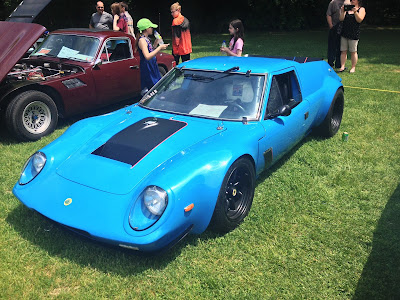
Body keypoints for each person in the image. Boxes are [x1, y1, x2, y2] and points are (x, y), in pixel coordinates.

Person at [136, 18, 169, 94]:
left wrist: (155, 44)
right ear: (147, 29)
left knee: (157, 85)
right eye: (151, 27)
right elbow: (147, 56)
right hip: (147, 68)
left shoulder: (147, 39)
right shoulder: (142, 40)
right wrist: (159, 48)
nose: (152, 29)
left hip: (152, 65)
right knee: (151, 88)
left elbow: (150, 51)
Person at [338, 0, 366, 73]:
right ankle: (342, 66)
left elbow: (359, 20)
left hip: (354, 33)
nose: (352, 1)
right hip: (344, 32)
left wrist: (355, 12)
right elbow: (341, 19)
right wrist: (343, 11)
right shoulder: (347, 9)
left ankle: (353, 67)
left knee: (353, 51)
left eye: (354, 0)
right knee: (343, 51)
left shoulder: (361, 9)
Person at [326, 0, 345, 68]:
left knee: (342, 47)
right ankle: (330, 63)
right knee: (332, 46)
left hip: (344, 28)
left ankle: (339, 64)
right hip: (334, 27)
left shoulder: (349, 2)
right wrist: (331, 25)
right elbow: (328, 14)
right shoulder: (333, 2)